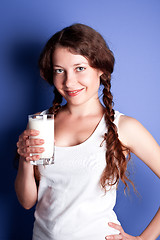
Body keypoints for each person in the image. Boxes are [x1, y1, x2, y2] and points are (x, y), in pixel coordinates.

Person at [15, 23, 160, 240]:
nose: (69, 81)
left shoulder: (124, 127)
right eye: (59, 71)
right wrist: (26, 160)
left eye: (79, 68)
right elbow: (27, 202)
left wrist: (143, 239)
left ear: (101, 68)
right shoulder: (40, 123)